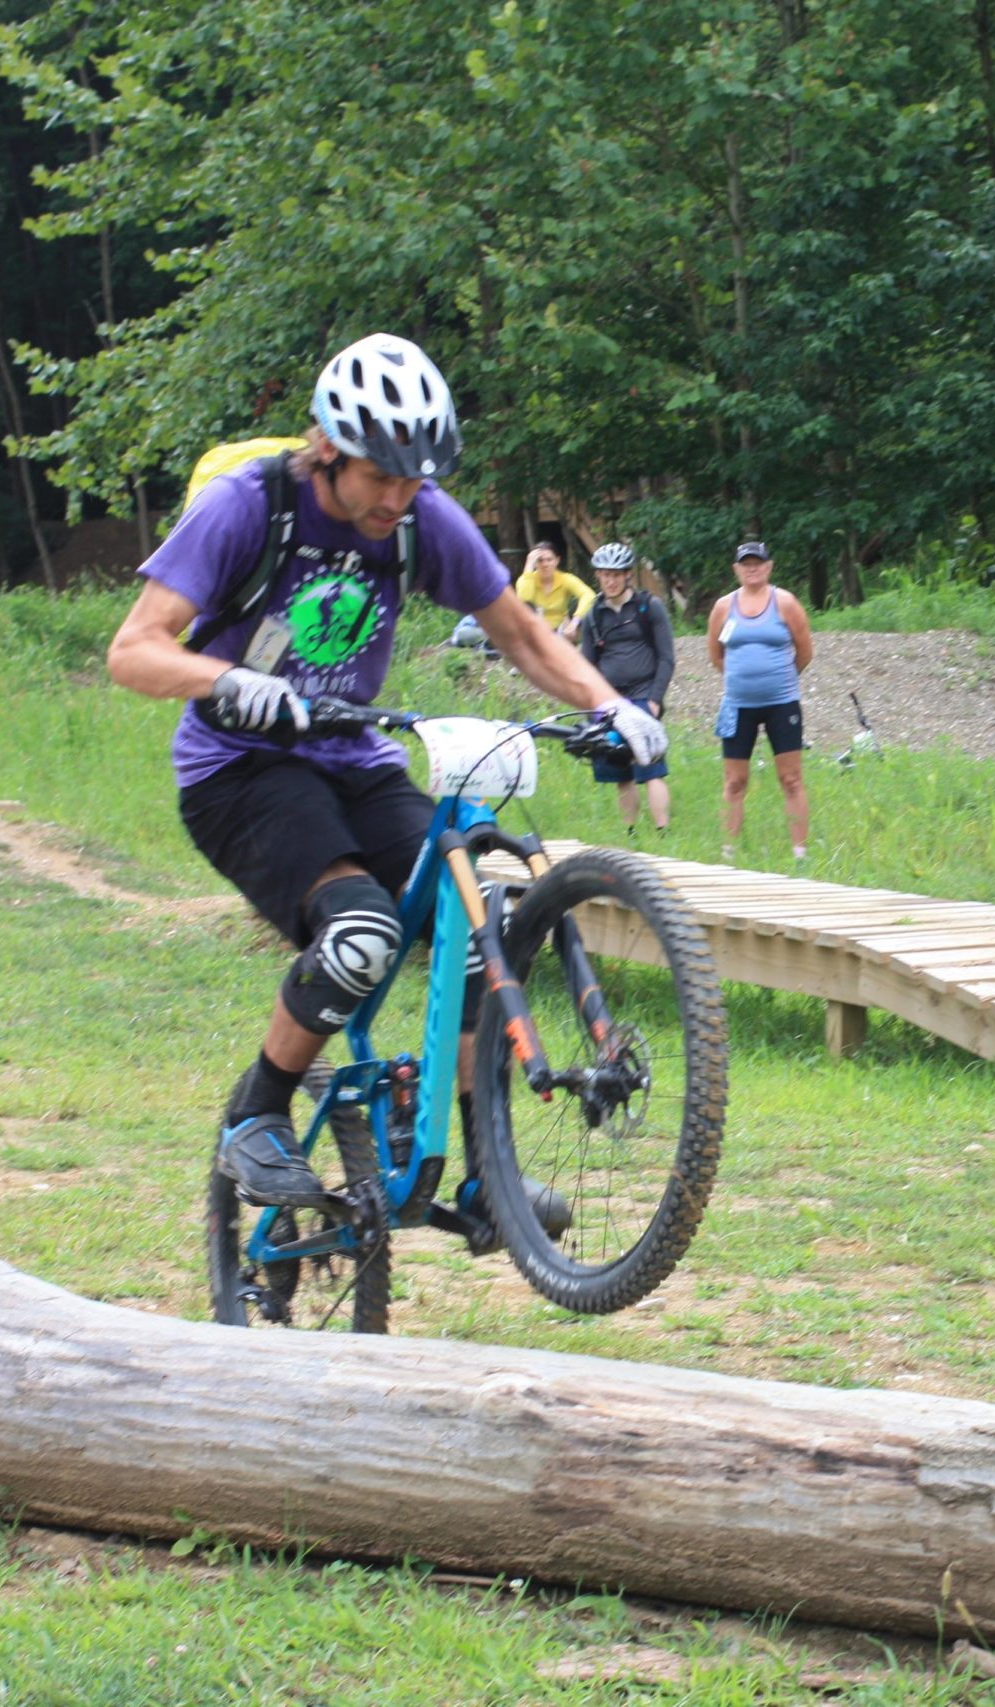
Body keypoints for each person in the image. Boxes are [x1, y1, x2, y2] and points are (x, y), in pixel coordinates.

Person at [103, 333, 665, 1209]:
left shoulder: (417, 517)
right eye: (381, 476)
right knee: (361, 931)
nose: (398, 499)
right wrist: (232, 681)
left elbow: (519, 633)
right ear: (328, 447)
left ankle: (490, 1173)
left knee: (481, 922)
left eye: (415, 480)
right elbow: (133, 651)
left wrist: (612, 708)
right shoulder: (247, 508)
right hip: (239, 769)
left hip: (354, 757)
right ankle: (255, 1115)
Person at [706, 540, 814, 863]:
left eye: (758, 563)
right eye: (746, 563)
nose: (752, 568)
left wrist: (780, 679)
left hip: (782, 702)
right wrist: (741, 679)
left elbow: (805, 651)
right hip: (738, 705)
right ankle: (729, 852)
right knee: (735, 780)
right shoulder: (724, 607)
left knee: (791, 779)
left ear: (769, 567)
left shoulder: (785, 603)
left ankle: (800, 854)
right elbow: (715, 654)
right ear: (736, 569)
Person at [577, 540, 676, 837]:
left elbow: (666, 657)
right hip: (609, 703)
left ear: (627, 575)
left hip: (644, 695)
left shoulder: (648, 607)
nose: (610, 580)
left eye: (616, 574)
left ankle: (663, 832)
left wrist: (656, 700)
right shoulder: (594, 615)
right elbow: (587, 665)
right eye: (604, 574)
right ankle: (630, 832)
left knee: (650, 766)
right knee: (621, 769)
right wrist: (592, 705)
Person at [513, 544, 596, 640]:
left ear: (557, 560)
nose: (545, 564)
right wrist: (528, 567)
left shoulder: (566, 579)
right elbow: (524, 599)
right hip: (533, 632)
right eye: (540, 560)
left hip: (559, 632)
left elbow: (589, 595)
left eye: (549, 560)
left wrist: (574, 622)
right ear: (535, 563)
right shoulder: (527, 580)